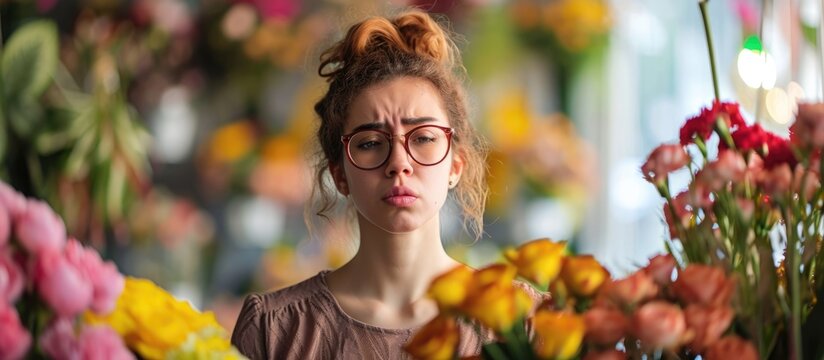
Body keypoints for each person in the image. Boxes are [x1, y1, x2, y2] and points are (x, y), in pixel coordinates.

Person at [231, 9, 544, 359]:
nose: (399, 163)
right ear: (339, 174)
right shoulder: (274, 330)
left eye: (423, 137)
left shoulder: (528, 322)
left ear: (456, 164)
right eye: (369, 143)